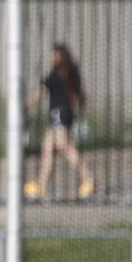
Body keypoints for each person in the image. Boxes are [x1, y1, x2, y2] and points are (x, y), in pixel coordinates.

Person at [25, 42, 94, 200]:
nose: (51, 57)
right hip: (63, 114)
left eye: (53, 54)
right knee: (47, 148)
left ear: (59, 56)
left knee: (64, 146)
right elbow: (80, 95)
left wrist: (24, 102)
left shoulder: (57, 74)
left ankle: (88, 178)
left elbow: (41, 92)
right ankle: (41, 186)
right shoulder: (68, 72)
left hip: (59, 114)